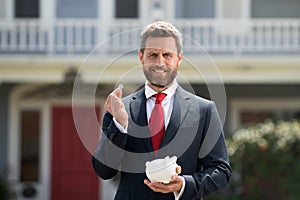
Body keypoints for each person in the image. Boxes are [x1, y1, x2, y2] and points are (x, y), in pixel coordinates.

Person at [92, 21, 231, 200]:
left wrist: (185, 184)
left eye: (167, 55)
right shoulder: (119, 109)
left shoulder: (204, 110)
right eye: (153, 55)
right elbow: (104, 170)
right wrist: (120, 125)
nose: (160, 62)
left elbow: (221, 171)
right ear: (141, 57)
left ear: (179, 58)